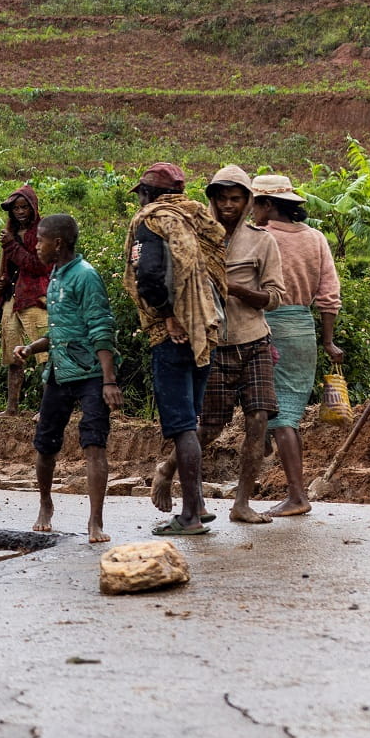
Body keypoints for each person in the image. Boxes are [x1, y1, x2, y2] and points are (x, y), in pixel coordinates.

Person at [152, 165, 285, 526]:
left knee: (258, 421)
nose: (228, 205)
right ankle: (167, 469)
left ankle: (241, 503)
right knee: (208, 428)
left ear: (248, 201)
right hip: (213, 345)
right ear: (211, 200)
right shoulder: (196, 235)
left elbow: (274, 297)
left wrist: (238, 290)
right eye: (222, 198)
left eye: (236, 199)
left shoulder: (262, 241)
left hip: (254, 341)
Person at [123, 163, 227, 537]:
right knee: (192, 418)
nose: (140, 200)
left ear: (149, 193)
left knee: (182, 425)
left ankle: (189, 517)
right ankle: (197, 502)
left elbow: (148, 275)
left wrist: (169, 316)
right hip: (206, 327)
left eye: (141, 194)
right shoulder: (196, 219)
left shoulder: (152, 222)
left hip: (176, 334)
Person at [11, 214, 121, 543]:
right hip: (59, 371)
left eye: (40, 240)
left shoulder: (86, 276)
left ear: (57, 243)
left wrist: (109, 381)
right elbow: (61, 332)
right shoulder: (56, 275)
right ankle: (45, 503)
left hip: (90, 374)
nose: (36, 245)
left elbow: (101, 328)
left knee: (94, 444)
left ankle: (95, 522)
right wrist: (31, 348)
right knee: (45, 444)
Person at [254, 174, 341, 517]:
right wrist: (329, 340)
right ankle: (294, 489)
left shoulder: (259, 238)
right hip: (303, 328)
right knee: (287, 411)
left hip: (266, 326)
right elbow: (329, 296)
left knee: (280, 418)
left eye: (255, 202)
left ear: (268, 205)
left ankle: (296, 495)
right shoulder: (315, 238)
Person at [0, 185, 50, 415]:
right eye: (16, 208)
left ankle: (47, 410)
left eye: (24, 207)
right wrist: (0, 281)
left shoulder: (43, 232)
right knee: (12, 355)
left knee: (44, 355)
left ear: (33, 208)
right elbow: (9, 270)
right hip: (13, 300)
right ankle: (11, 408)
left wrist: (11, 245)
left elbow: (38, 265)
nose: (20, 212)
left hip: (37, 298)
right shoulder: (11, 233)